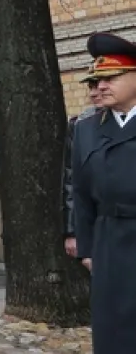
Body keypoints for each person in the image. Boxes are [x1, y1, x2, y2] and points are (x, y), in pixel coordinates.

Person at [71, 31, 136, 353]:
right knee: (113, 329)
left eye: (112, 77)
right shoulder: (86, 129)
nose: (102, 86)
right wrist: (87, 249)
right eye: (98, 79)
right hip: (109, 239)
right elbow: (80, 193)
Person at [64, 65, 101, 259]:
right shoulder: (79, 125)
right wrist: (72, 232)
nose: (95, 93)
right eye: (91, 87)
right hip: (96, 224)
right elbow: (72, 182)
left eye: (100, 85)